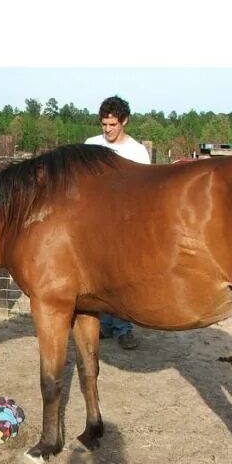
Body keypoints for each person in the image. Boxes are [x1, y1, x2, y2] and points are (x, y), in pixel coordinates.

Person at [84, 95, 151, 350]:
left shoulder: (136, 151)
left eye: (112, 125)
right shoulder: (91, 145)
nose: (108, 130)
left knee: (121, 278)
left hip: (124, 224)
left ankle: (124, 328)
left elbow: (144, 191)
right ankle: (103, 325)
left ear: (124, 121)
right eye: (104, 125)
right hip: (95, 223)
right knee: (98, 276)